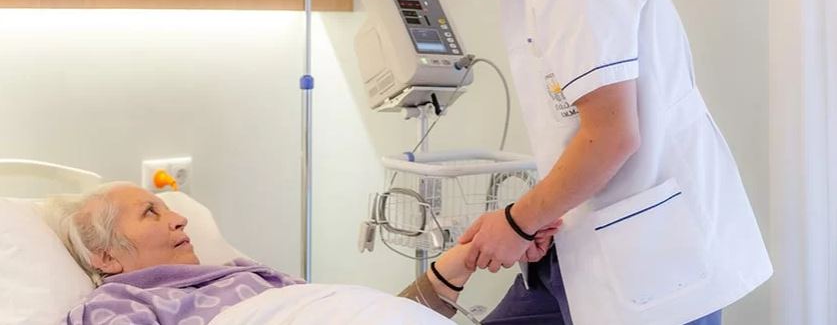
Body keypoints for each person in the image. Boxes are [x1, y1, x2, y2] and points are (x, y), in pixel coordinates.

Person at [368, 0, 772, 325]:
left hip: (653, 259)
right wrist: (530, 219)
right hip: (578, 246)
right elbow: (578, 128)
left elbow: (612, 135)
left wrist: (517, 222)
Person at [46, 182, 558, 324]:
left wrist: (466, 256)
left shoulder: (244, 274)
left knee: (552, 277)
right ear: (106, 257)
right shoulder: (118, 303)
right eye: (150, 214)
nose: (179, 218)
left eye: (169, 208)